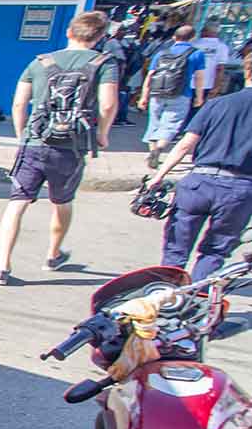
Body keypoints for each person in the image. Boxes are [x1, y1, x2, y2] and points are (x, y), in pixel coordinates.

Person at [0, 11, 117, 286]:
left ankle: (2, 265)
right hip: (70, 147)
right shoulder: (104, 64)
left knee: (17, 203)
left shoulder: (40, 63)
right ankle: (52, 253)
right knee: (62, 202)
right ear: (99, 37)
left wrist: (22, 134)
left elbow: (18, 103)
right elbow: (108, 104)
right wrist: (103, 135)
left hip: (34, 142)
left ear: (69, 33)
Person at [147, 47, 252, 280]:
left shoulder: (217, 104)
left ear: (246, 72)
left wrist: (159, 175)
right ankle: (195, 299)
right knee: (215, 251)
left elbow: (186, 144)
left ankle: (166, 295)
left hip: (198, 183)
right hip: (240, 189)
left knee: (176, 249)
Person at [138, 24, 206, 170]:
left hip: (156, 93)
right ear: (193, 38)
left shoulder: (161, 53)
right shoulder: (196, 54)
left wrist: (143, 96)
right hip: (181, 93)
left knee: (154, 123)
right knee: (171, 124)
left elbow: (150, 76)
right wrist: (199, 97)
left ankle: (152, 151)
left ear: (174, 37)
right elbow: (199, 77)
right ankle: (159, 149)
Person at [101, 21, 141, 125]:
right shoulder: (111, 43)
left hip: (126, 69)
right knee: (117, 93)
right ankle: (115, 117)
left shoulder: (124, 42)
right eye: (121, 31)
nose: (123, 33)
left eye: (124, 31)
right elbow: (106, 56)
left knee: (125, 92)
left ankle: (121, 116)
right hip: (116, 68)